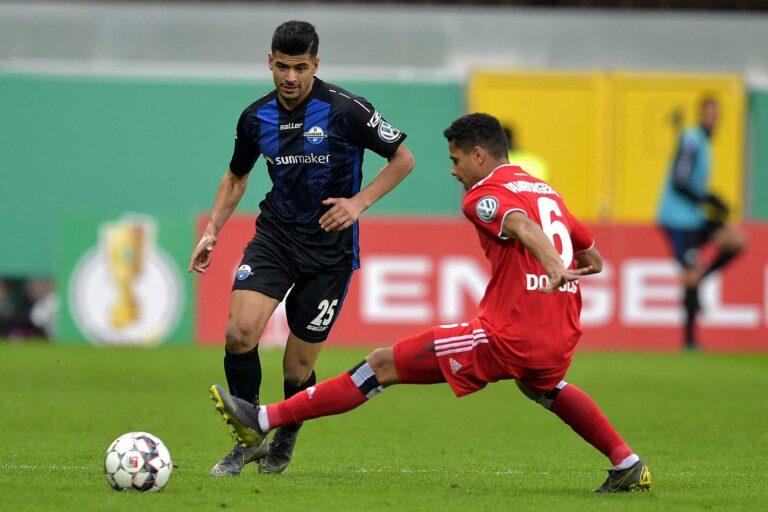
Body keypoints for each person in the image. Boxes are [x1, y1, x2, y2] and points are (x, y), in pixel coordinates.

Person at [209, 113, 652, 493]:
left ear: (479, 155)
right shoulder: (546, 191)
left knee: (379, 365)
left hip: (508, 334)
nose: (454, 171)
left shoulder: (482, 197)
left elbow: (517, 223)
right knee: (541, 387)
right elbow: (592, 257)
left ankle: (261, 418)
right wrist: (558, 269)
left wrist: (551, 264)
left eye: (456, 160)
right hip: (560, 332)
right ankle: (626, 462)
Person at [189, 20, 414, 477]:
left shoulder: (346, 110)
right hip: (275, 237)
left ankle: (285, 436)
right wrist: (213, 228)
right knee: (239, 334)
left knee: (296, 369)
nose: (290, 77)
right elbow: (236, 176)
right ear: (269, 63)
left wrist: (358, 203)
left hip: (330, 252)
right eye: (282, 67)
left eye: (301, 68)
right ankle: (249, 437)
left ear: (316, 65)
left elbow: (403, 159)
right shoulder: (255, 118)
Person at [657, 96, 747, 350]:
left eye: (716, 116)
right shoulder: (691, 140)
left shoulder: (705, 144)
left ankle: (702, 276)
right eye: (709, 114)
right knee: (689, 274)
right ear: (700, 114)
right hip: (677, 219)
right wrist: (709, 198)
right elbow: (680, 180)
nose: (712, 120)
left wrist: (712, 201)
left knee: (738, 240)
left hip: (694, 217)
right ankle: (689, 340)